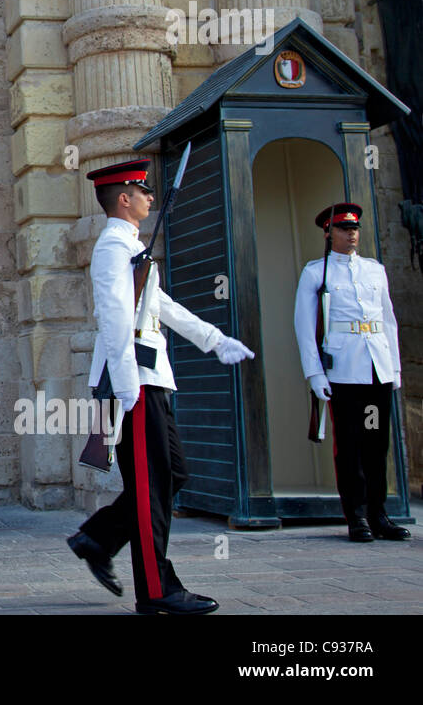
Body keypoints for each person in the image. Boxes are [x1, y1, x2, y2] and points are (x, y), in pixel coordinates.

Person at [66, 159, 254, 615]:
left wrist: (214, 340)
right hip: (136, 384)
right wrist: (127, 386)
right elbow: (114, 318)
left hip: (152, 379)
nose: (151, 196)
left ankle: (99, 538)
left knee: (172, 477)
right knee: (151, 486)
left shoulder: (131, 247)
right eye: (142, 190)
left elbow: (160, 306)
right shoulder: (114, 247)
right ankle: (156, 589)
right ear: (124, 199)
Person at [294, 202, 409, 542]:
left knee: (377, 444)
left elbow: (387, 319)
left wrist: (396, 367)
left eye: (354, 228)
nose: (351, 234)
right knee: (350, 446)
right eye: (344, 229)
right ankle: (356, 517)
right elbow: (304, 326)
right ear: (329, 233)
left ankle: (379, 514)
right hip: (344, 371)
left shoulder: (375, 269)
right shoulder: (317, 272)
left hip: (377, 368)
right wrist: (315, 374)